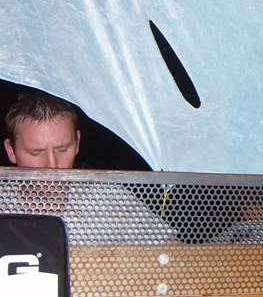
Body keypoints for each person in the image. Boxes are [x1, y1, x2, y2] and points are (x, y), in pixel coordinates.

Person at [1, 91, 173, 245]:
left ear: (77, 142)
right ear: (11, 151)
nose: (52, 165)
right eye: (36, 152)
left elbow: (173, 249)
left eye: (62, 149)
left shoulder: (105, 198)